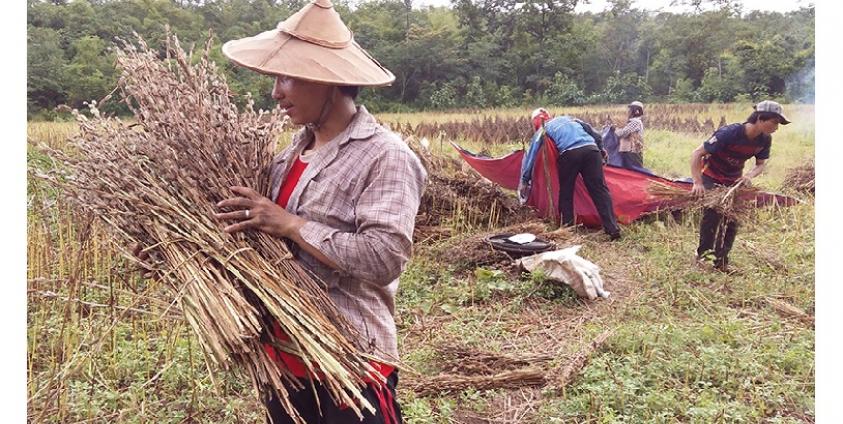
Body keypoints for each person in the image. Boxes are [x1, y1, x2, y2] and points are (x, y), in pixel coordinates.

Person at [213, 0, 428, 422]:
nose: (276, 92)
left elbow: (384, 257)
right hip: (284, 354)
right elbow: (256, 233)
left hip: (351, 359)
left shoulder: (385, 156)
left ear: (328, 80)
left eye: (287, 77)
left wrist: (292, 225)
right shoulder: (290, 153)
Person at [690, 100, 789, 272]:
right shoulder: (730, 133)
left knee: (732, 220)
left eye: (778, 124)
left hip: (733, 180)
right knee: (713, 214)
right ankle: (703, 258)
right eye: (774, 122)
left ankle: (721, 262)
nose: (776, 127)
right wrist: (697, 182)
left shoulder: (765, 140)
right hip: (712, 175)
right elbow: (697, 153)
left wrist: (748, 176)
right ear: (760, 118)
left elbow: (760, 164)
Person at [521, 108, 621, 240]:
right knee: (600, 190)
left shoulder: (543, 129)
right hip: (592, 151)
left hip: (570, 154)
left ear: (536, 123)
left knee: (566, 192)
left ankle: (568, 229)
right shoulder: (570, 119)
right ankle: (612, 228)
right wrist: (601, 150)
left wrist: (525, 179)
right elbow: (595, 134)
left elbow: (532, 155)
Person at [614, 101, 645, 169]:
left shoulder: (635, 122)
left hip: (632, 151)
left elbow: (623, 133)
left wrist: (616, 129)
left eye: (630, 109)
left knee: (635, 171)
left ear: (636, 111)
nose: (628, 111)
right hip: (628, 151)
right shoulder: (631, 122)